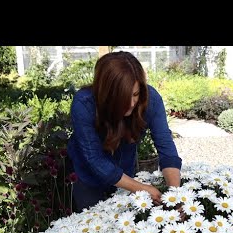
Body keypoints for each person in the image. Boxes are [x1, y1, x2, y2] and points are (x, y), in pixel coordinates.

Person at [67, 51, 182, 212]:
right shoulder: (84, 104)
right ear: (107, 93)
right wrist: (141, 188)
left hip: (126, 174)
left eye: (135, 94)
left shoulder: (150, 100)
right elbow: (94, 160)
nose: (131, 103)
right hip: (88, 179)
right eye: (123, 96)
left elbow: (166, 148)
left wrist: (175, 196)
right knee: (94, 229)